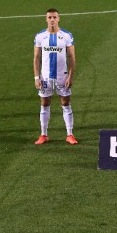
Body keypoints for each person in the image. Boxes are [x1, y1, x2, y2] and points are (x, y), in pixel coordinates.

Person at [33, 9, 77, 145]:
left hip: (62, 76)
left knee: (65, 103)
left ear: (59, 19)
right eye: (49, 17)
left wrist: (70, 76)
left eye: (54, 17)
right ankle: (43, 134)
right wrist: (36, 77)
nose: (52, 19)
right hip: (45, 77)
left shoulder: (66, 36)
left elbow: (72, 57)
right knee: (45, 103)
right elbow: (36, 58)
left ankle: (70, 134)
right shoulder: (40, 36)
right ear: (46, 19)